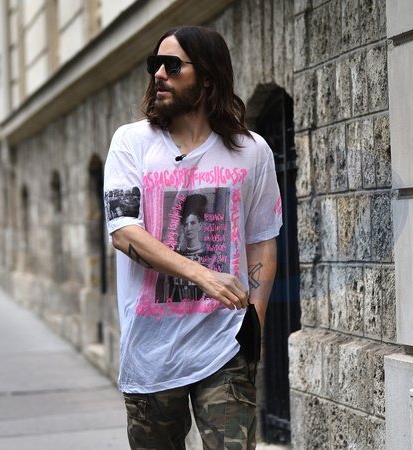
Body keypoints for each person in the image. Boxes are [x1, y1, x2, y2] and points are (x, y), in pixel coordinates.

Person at [103, 25, 282, 450]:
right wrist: (203, 275)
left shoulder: (252, 151)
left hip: (225, 345)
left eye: (172, 66)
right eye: (155, 65)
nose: (158, 75)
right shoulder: (131, 142)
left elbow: (261, 238)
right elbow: (123, 232)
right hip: (151, 351)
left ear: (206, 77)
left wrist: (253, 322)